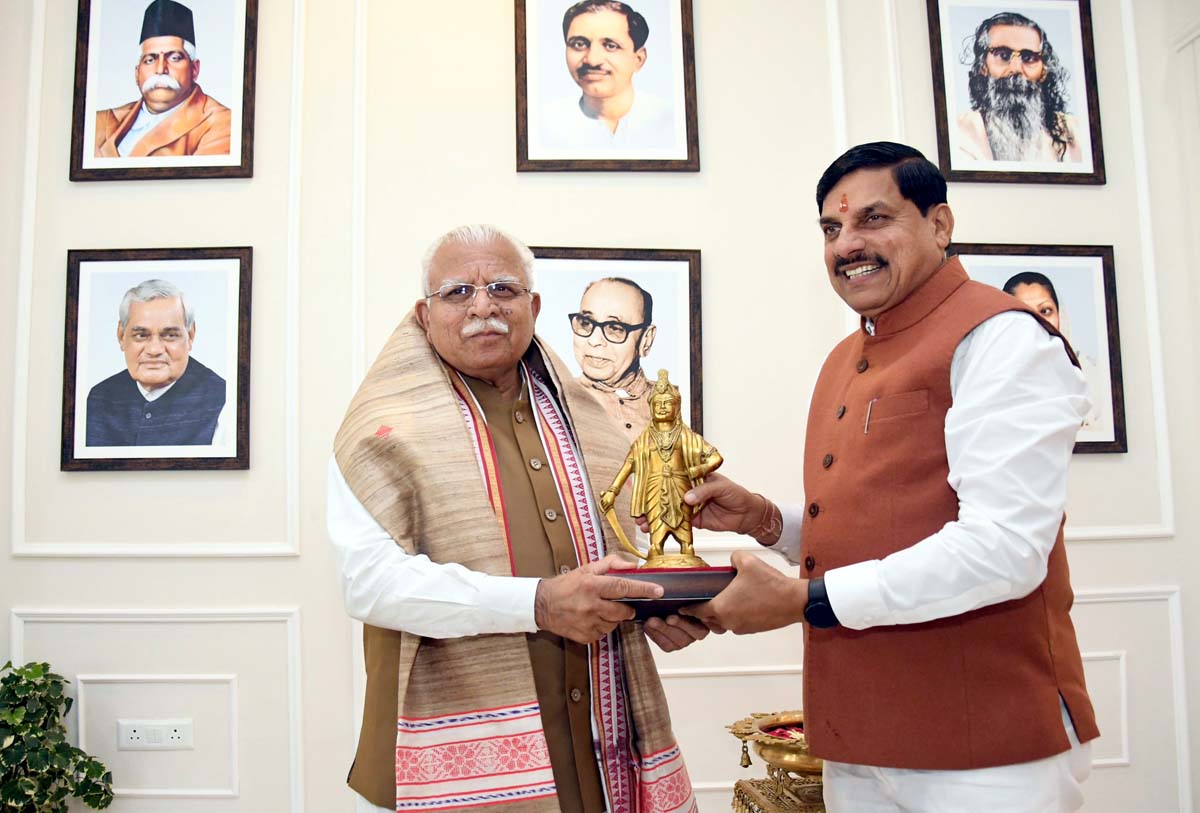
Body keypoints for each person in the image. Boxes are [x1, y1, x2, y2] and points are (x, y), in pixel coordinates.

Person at [683, 143, 1099, 812]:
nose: (847, 244)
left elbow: (1004, 550)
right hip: (857, 741)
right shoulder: (845, 357)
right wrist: (767, 520)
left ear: (939, 224)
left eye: (873, 219)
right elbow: (884, 524)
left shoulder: (1002, 338)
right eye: (831, 228)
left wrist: (804, 600)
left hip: (986, 748)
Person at [327, 225, 706, 813]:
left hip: (599, 740)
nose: (483, 306)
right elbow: (369, 584)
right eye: (458, 292)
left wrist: (655, 609)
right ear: (425, 315)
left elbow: (623, 551)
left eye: (502, 289)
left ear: (533, 307)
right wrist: (539, 604)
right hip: (460, 746)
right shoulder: (383, 432)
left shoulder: (590, 420)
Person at [86, 278, 227, 447]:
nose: (154, 350)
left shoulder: (224, 402)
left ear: (190, 336)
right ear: (121, 336)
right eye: (141, 335)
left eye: (170, 335)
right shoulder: (99, 398)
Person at [600, 370, 721, 562]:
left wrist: (699, 470)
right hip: (654, 490)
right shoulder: (644, 440)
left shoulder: (687, 437)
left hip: (680, 488)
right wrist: (612, 491)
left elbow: (715, 458)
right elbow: (629, 464)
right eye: (657, 404)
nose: (662, 407)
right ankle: (656, 550)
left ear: (677, 407)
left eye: (667, 403)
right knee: (656, 540)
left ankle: (686, 549)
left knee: (686, 539)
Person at [94, 0, 231, 158]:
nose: (160, 69)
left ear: (194, 69)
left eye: (174, 58)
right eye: (150, 60)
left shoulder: (221, 123)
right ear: (137, 73)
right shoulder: (102, 121)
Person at [540, 1, 674, 150]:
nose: (593, 60)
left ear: (638, 59)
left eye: (611, 46)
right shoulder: (545, 128)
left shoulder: (671, 124)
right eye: (579, 44)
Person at [955, 12, 1082, 163]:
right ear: (983, 66)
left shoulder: (1077, 133)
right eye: (1003, 55)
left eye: (1028, 58)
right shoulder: (960, 132)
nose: (1015, 69)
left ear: (1044, 71)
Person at [1003, 270, 1106, 433]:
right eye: (1024, 313)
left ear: (1060, 315)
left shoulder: (1093, 377)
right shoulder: (995, 380)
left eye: (1045, 311)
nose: (1037, 323)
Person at [570, 277, 657, 441]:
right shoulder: (554, 402)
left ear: (646, 339)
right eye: (586, 323)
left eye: (615, 328)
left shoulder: (676, 403)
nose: (594, 341)